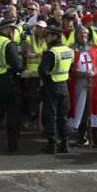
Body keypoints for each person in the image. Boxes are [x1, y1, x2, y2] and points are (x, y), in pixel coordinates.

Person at [0, 21, 24, 153]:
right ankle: (12, 145)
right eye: (12, 30)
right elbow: (17, 65)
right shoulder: (8, 44)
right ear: (5, 29)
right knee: (12, 114)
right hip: (9, 81)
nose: (13, 33)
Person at [39, 21, 74, 154]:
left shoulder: (50, 52)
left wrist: (47, 82)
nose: (46, 38)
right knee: (63, 116)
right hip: (64, 86)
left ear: (54, 36)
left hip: (52, 87)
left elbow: (43, 71)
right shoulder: (68, 50)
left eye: (47, 36)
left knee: (51, 116)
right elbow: (71, 68)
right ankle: (65, 143)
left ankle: (52, 144)